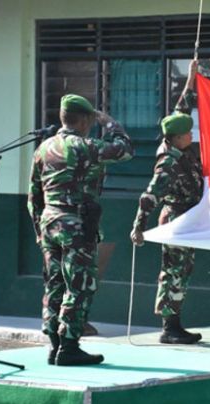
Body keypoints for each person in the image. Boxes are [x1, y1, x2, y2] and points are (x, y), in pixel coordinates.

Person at [28, 94, 134, 365]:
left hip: (49, 224)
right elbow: (124, 149)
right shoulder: (84, 146)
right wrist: (110, 123)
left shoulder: (43, 148)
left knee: (54, 284)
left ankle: (54, 345)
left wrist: (40, 232)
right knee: (80, 285)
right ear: (85, 120)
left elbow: (33, 197)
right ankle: (70, 346)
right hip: (76, 224)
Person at [130, 59, 204, 344]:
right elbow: (149, 196)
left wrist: (191, 78)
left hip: (188, 217)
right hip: (176, 219)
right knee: (174, 273)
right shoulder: (169, 164)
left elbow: (181, 107)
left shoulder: (175, 138)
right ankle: (169, 328)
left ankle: (174, 324)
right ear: (176, 138)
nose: (191, 136)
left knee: (182, 271)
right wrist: (138, 228)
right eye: (188, 134)